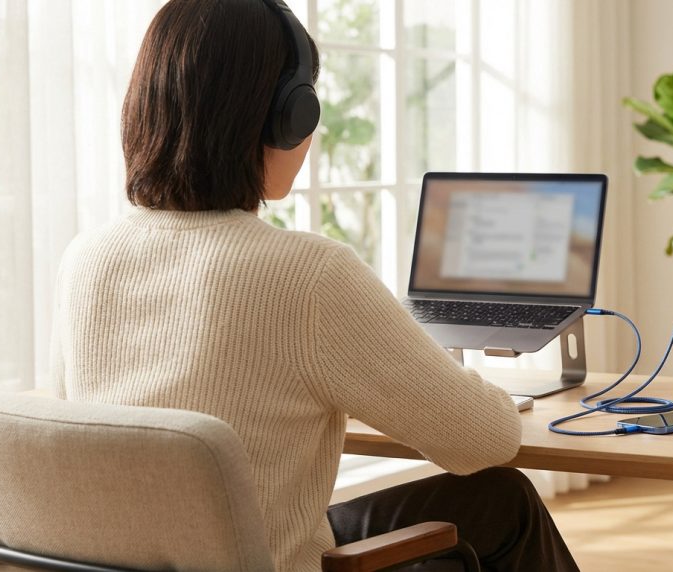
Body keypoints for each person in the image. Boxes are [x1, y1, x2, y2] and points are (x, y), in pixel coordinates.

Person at [49, 1, 579, 570]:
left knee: (493, 502)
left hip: (157, 557)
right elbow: (486, 438)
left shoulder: (85, 258)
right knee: (506, 497)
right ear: (287, 117)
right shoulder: (307, 276)